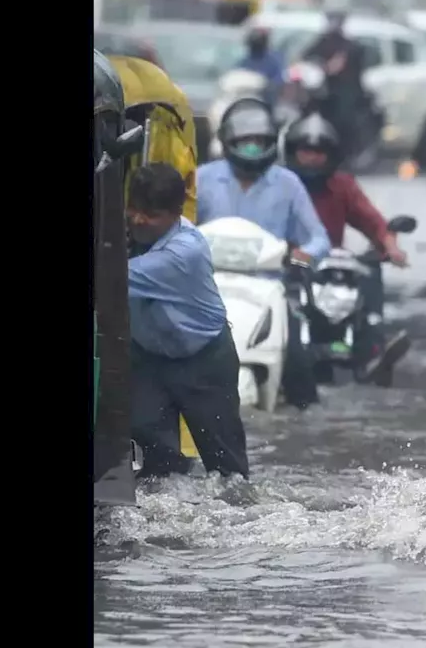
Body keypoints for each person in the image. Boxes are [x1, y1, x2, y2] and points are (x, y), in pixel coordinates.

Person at [196, 97, 331, 409]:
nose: (253, 148)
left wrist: (304, 256)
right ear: (229, 142)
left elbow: (318, 238)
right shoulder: (203, 178)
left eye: (259, 141)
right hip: (207, 285)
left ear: (272, 143)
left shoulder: (288, 184)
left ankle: (303, 413)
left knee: (297, 359)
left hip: (269, 287)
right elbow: (182, 226)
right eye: (245, 141)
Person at [126, 163, 250, 479]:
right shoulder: (128, 232)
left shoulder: (184, 251)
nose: (139, 219)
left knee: (226, 468)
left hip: (204, 360)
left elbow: (111, 277)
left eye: (150, 214)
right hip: (150, 358)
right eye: (133, 209)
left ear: (176, 212)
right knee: (153, 452)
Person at [283, 113, 413, 385]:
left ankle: (373, 349)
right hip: (287, 266)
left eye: (319, 152)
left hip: (327, 268)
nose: (312, 158)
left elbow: (373, 221)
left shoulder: (342, 186)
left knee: (369, 269)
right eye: (306, 151)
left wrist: (390, 248)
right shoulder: (280, 185)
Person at [303, 9, 370, 161]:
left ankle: (345, 156)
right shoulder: (322, 42)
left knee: (344, 126)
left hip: (346, 95)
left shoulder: (350, 46)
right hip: (324, 94)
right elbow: (307, 57)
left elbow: (349, 66)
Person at [236, 26, 286, 105]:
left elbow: (278, 82)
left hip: (263, 104)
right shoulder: (244, 62)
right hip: (242, 103)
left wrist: (268, 86)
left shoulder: (272, 62)